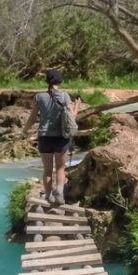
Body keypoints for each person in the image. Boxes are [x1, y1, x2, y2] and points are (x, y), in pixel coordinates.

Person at [23, 69, 81, 206]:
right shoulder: (65, 96)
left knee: (47, 170)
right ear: (60, 81)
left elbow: (32, 118)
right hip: (61, 137)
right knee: (60, 168)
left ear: (47, 82)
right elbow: (71, 118)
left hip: (44, 137)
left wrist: (24, 130)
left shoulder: (39, 97)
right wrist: (77, 107)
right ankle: (59, 194)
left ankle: (49, 197)